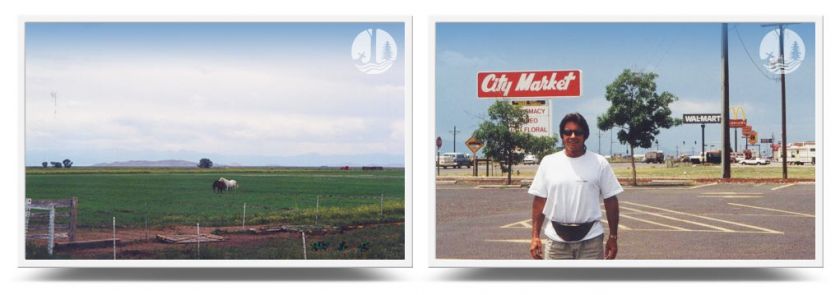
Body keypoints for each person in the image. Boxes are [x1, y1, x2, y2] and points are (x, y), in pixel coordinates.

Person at [528, 112, 622, 260]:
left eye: (578, 132)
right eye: (567, 132)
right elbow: (539, 202)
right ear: (562, 135)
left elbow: (611, 201)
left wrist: (613, 237)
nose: (572, 136)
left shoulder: (600, 163)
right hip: (556, 243)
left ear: (585, 135)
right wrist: (535, 237)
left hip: (591, 242)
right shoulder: (549, 162)